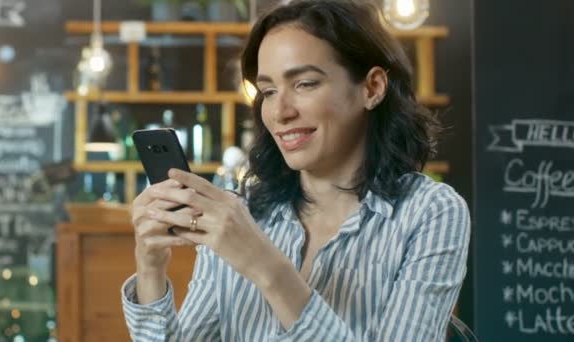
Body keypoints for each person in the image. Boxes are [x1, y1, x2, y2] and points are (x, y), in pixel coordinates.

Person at [122, 0, 470, 341]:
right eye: (269, 91)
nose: (280, 112)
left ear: (372, 88)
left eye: (305, 84)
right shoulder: (240, 213)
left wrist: (266, 267)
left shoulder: (430, 213)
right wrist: (150, 267)